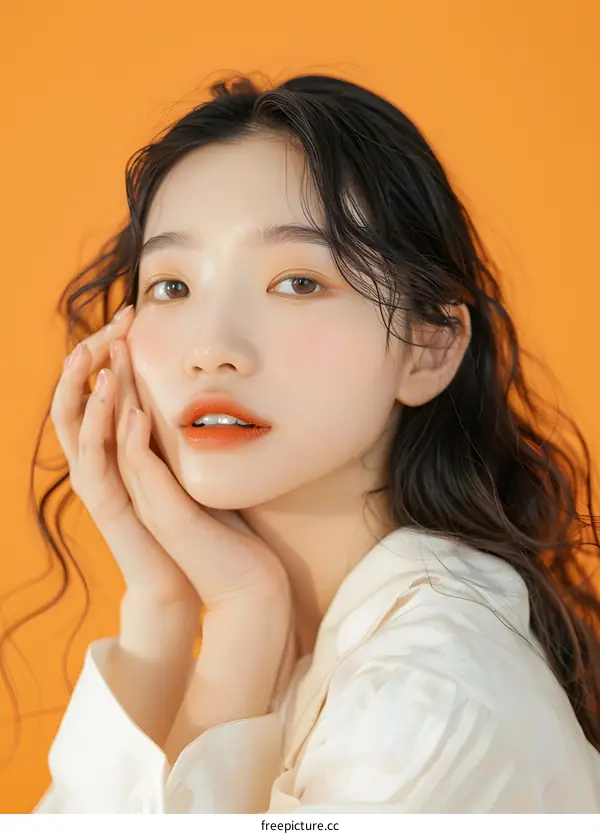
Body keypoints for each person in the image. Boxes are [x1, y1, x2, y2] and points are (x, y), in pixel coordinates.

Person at [23, 72, 600, 813]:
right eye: (171, 286)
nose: (212, 348)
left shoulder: (424, 701)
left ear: (429, 347)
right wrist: (173, 608)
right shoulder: (311, 650)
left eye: (297, 282)